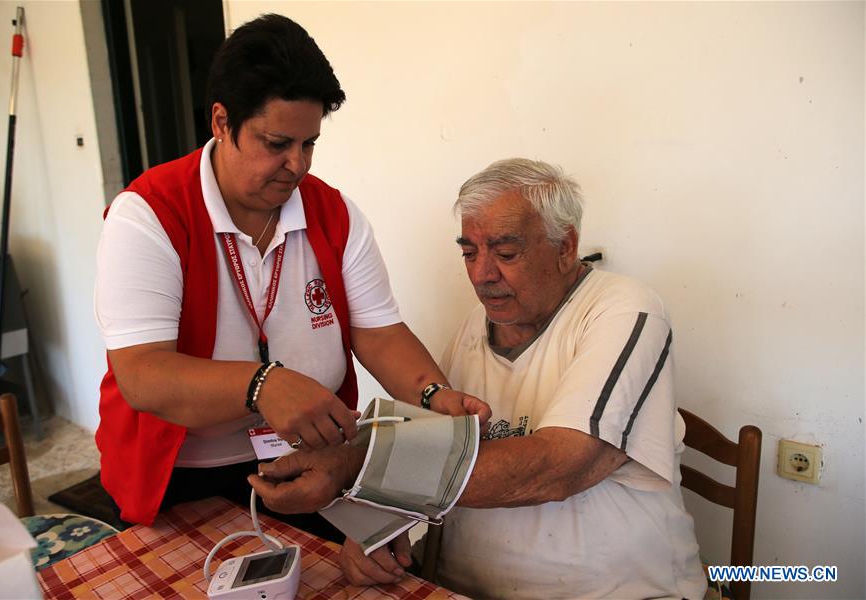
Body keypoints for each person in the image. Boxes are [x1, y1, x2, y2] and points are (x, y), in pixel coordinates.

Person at [93, 13, 489, 535]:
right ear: (221, 122)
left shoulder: (334, 215)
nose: (297, 165)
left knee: (357, 568)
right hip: (181, 478)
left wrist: (434, 396)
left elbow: (379, 332)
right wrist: (262, 384)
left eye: (309, 144)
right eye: (277, 143)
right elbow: (142, 374)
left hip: (311, 464)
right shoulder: (150, 214)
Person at [250, 158, 707, 598]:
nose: (482, 275)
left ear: (566, 247)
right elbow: (436, 449)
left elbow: (560, 468)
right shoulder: (475, 326)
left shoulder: (624, 311)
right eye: (469, 253)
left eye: (506, 253)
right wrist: (377, 525)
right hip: (456, 586)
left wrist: (357, 469)